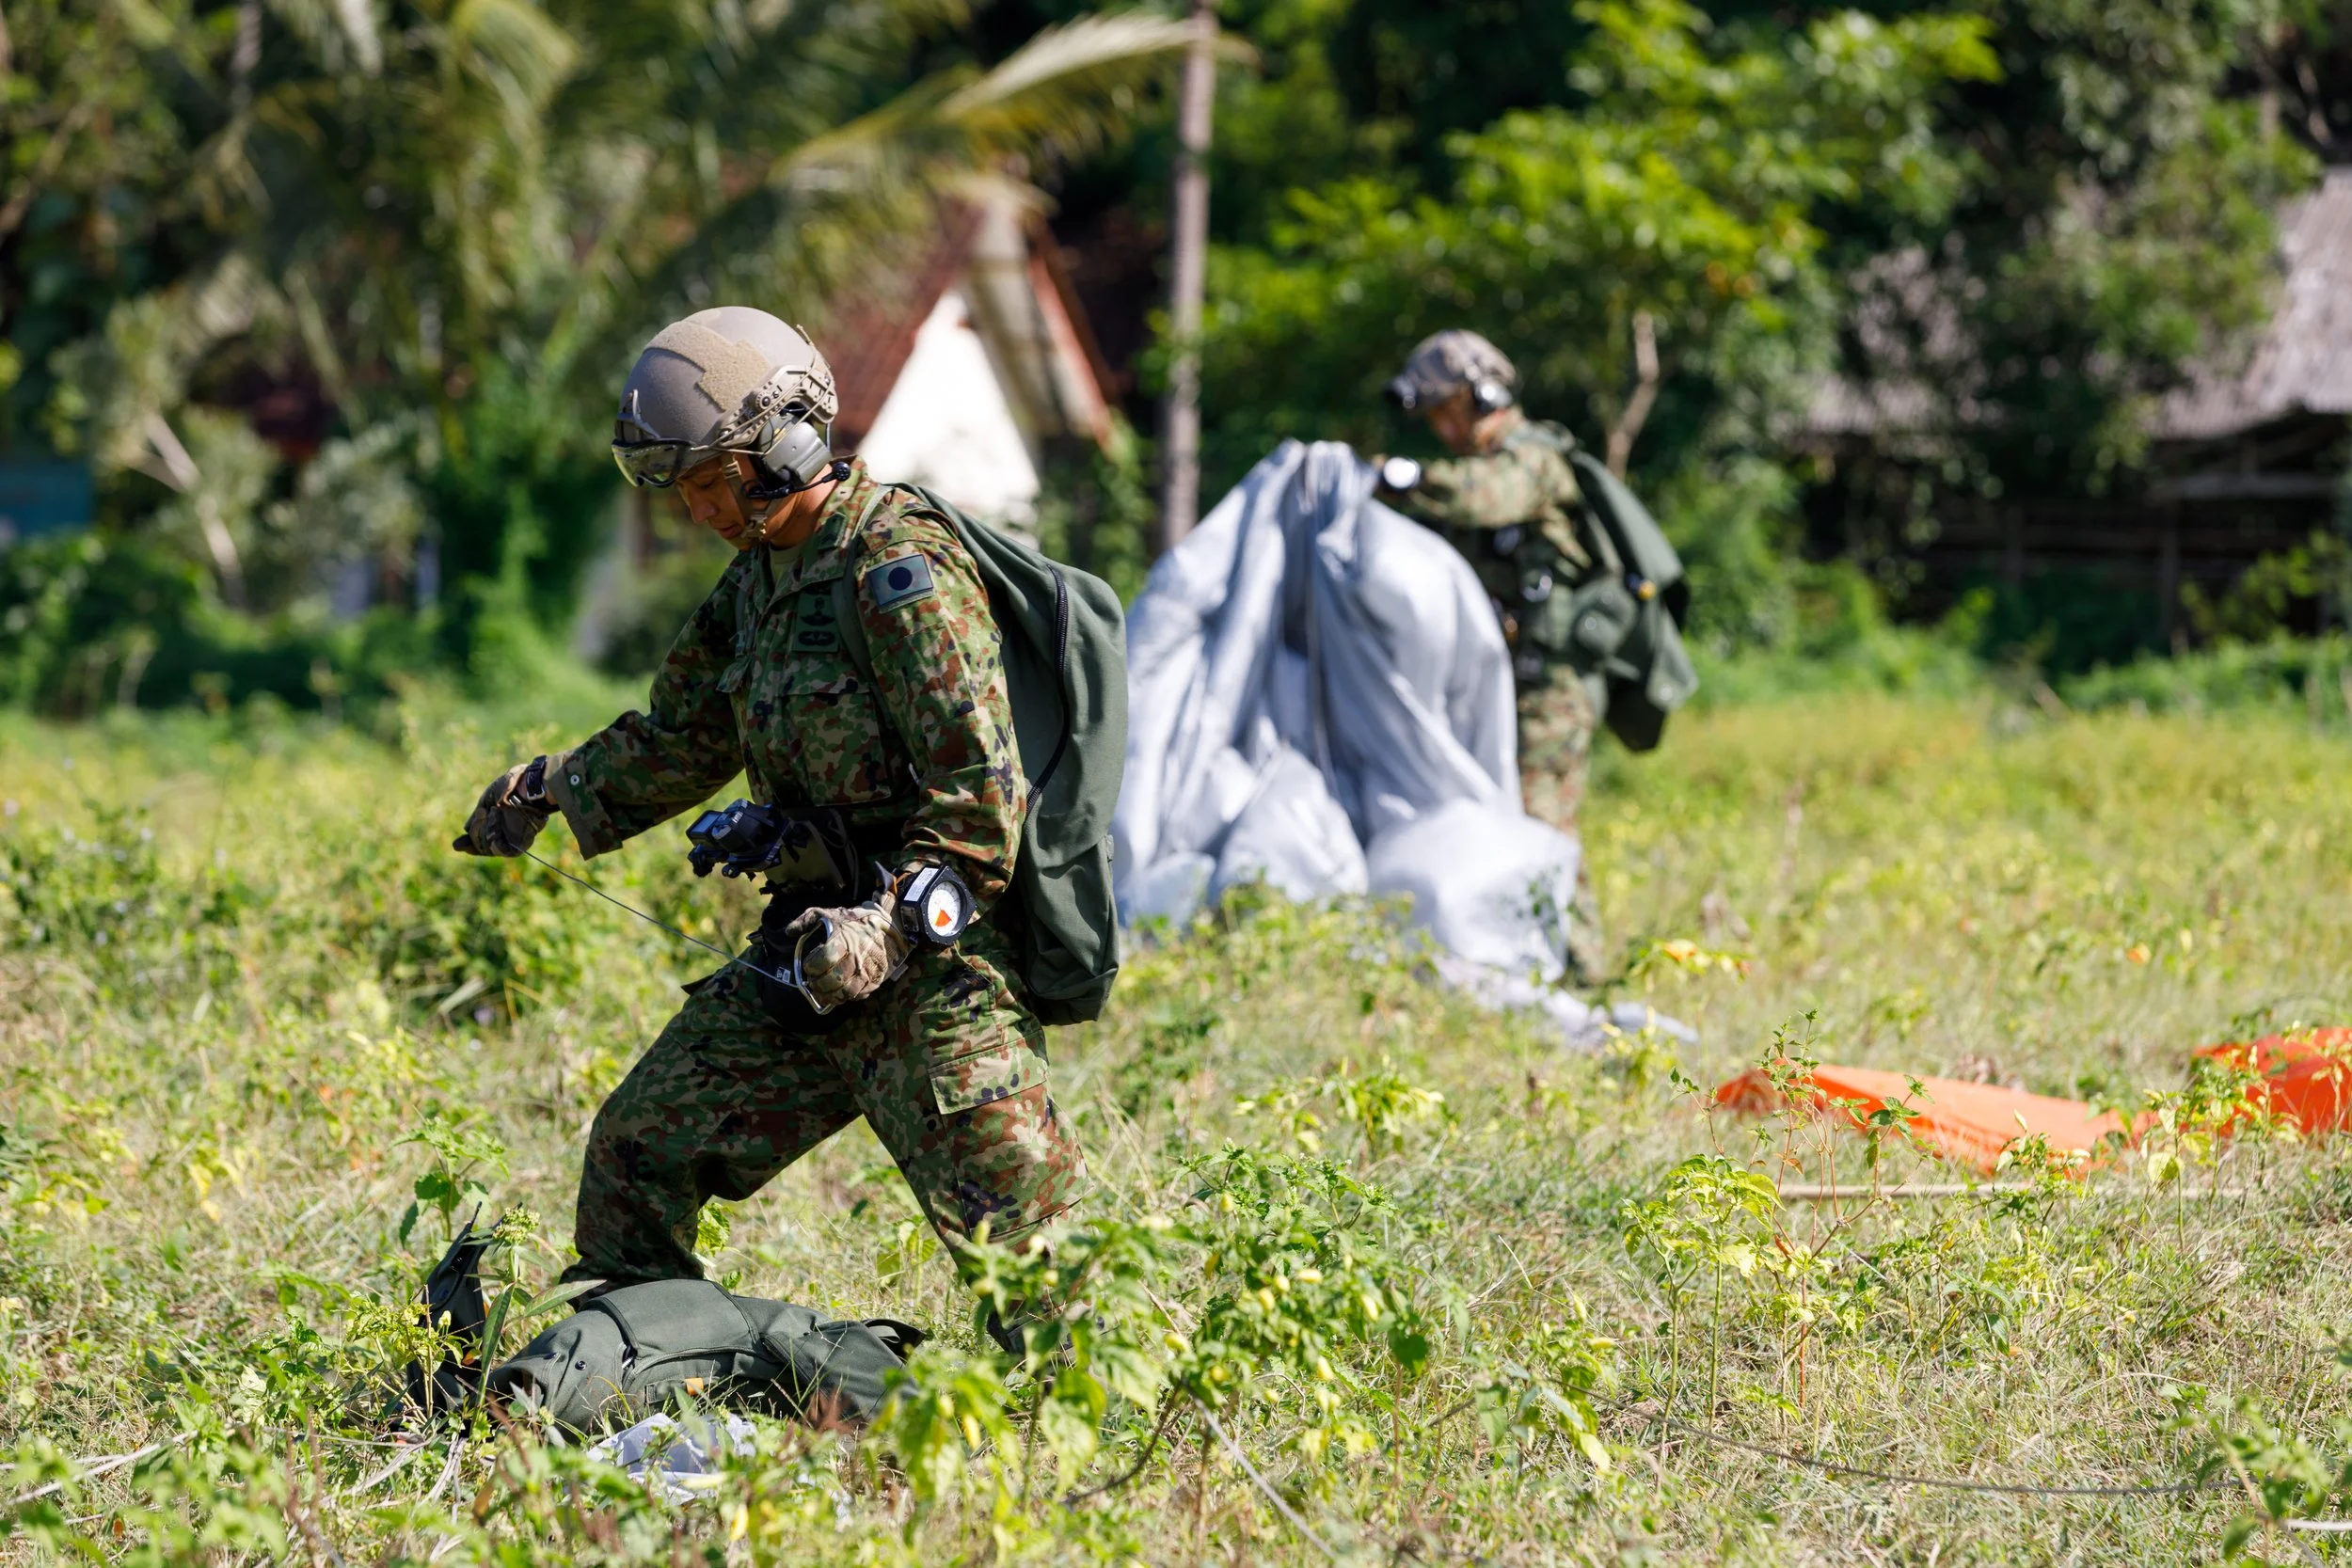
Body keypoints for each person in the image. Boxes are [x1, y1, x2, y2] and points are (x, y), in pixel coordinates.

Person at [453, 308, 1087, 1330]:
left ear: (789, 441)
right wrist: (548, 788)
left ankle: (1073, 1455)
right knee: (637, 1150)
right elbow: (680, 736)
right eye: (682, 487)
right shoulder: (752, 584)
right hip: (805, 955)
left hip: (935, 976)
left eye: (712, 477)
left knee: (1035, 1269)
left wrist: (885, 926)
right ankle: (640, 1373)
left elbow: (980, 795)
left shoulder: (898, 569)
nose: (698, 507)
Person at [1375, 328, 1609, 984]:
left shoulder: (1530, 460)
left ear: (1486, 395)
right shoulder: (1477, 467)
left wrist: (1399, 476)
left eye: (1450, 410)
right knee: (1510, 818)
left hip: (1553, 684)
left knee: (1542, 823)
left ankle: (1583, 974)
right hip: (1501, 684)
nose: (1444, 429)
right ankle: (1534, 958)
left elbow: (1484, 496)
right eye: (1434, 417)